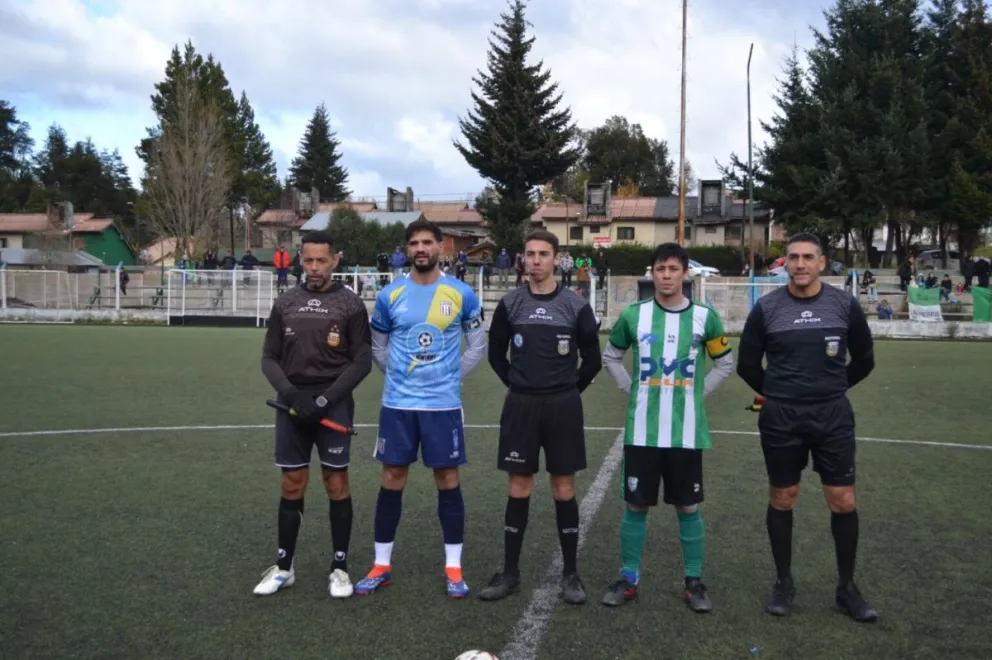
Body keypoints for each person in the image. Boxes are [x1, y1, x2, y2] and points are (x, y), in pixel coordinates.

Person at [736, 232, 877, 623]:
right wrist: (780, 394)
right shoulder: (767, 309)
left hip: (832, 416)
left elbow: (864, 360)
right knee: (783, 497)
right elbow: (747, 365)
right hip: (781, 418)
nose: (799, 264)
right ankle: (784, 583)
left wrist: (831, 389)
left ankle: (846, 589)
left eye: (807, 258)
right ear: (785, 263)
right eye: (792, 257)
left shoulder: (844, 306)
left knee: (843, 500)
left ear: (821, 263)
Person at [598, 242, 733, 612]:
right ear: (652, 273)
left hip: (685, 433)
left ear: (685, 273)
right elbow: (610, 356)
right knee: (635, 504)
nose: (667, 275)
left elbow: (724, 362)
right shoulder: (633, 316)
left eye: (674, 269)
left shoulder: (707, 318)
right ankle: (628, 578)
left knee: (688, 506)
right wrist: (632, 388)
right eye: (661, 269)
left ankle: (693, 581)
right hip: (642, 431)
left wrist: (697, 393)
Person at [355, 219, 487, 599]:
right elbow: (377, 347)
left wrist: (449, 376)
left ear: (441, 247)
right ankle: (381, 566)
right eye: (414, 243)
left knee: (447, 479)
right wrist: (398, 376)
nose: (421, 248)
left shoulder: (461, 294)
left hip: (442, 406)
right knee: (392, 477)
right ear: (407, 249)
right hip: (397, 404)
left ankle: (454, 568)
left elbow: (477, 346)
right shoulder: (390, 295)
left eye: (427, 242)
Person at [478, 230, 602, 605]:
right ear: (523, 259)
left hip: (562, 407)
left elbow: (592, 359)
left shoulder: (575, 305)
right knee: (519, 486)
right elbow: (496, 353)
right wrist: (518, 385)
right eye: (530, 254)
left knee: (563, 488)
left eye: (543, 254)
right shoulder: (511, 304)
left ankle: (571, 575)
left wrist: (566, 392)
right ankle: (510, 573)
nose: (535, 261)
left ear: (556, 259)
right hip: (521, 406)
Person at [255, 230, 373, 599]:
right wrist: (291, 395)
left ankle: (339, 567)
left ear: (335, 260)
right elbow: (269, 358)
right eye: (309, 260)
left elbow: (362, 360)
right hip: (291, 404)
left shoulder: (350, 304)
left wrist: (324, 401)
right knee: (292, 484)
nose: (315, 267)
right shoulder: (286, 302)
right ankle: (284, 567)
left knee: (336, 484)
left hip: (332, 403)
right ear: (300, 260)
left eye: (322, 260)